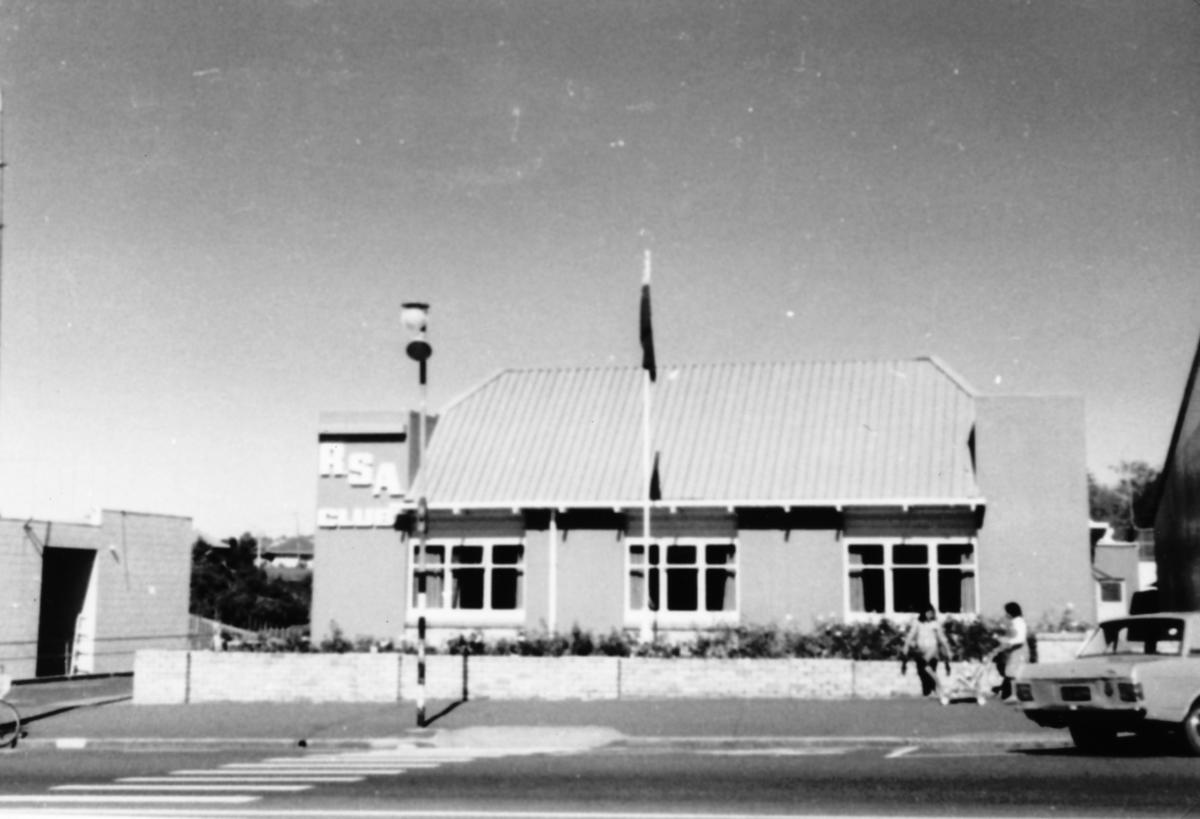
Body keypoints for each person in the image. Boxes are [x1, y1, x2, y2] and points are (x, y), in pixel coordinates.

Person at [904, 606, 951, 705]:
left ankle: (936, 688)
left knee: (927, 668)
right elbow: (910, 635)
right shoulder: (917, 623)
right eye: (929, 613)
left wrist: (948, 649)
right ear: (924, 613)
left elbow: (941, 638)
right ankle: (934, 689)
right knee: (925, 671)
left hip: (932, 650)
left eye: (932, 613)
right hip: (922, 651)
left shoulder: (935, 624)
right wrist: (906, 646)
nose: (931, 615)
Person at [992, 601, 1028, 700]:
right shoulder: (1016, 622)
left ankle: (1006, 692)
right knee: (1008, 672)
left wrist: (1005, 643)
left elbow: (1018, 639)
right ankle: (1003, 690)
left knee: (1010, 672)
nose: (1006, 614)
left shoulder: (1018, 623)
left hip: (1014, 650)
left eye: (1007, 612)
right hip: (1011, 650)